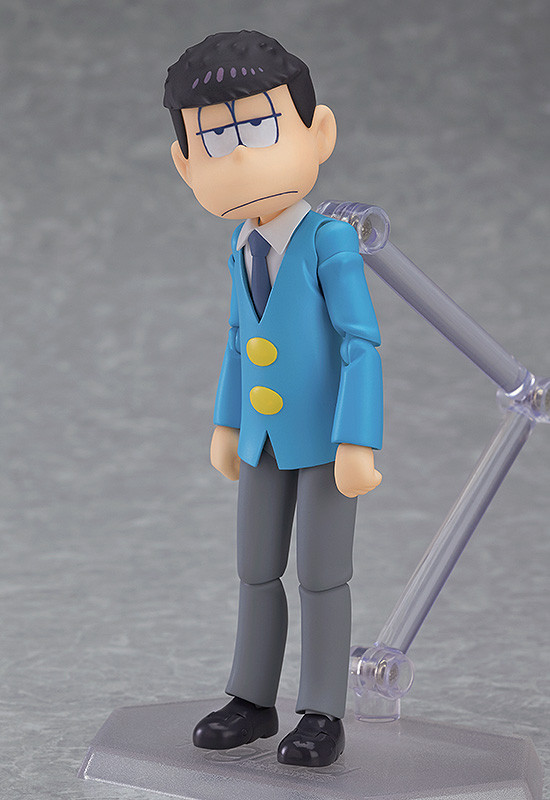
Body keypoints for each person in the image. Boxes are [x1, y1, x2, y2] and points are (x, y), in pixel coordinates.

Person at [164, 30, 383, 767]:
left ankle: (321, 711)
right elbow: (238, 337)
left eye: (259, 128)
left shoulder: (329, 242)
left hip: (324, 441)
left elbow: (360, 343)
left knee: (322, 576)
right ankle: (252, 699)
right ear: (185, 164)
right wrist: (226, 422)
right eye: (214, 141)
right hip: (259, 438)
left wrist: (358, 438)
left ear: (318, 134)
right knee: (256, 570)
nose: (239, 159)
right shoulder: (240, 245)